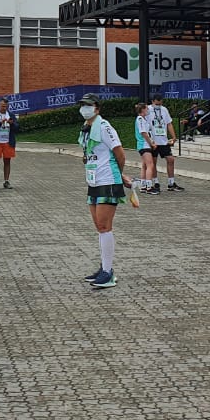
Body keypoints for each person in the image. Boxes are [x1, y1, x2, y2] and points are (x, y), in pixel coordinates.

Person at [78, 94, 125, 290]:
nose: (84, 109)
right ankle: (103, 267)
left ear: (97, 109)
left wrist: (119, 176)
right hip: (94, 181)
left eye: (88, 105)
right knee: (99, 225)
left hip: (108, 180)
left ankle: (108, 272)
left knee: (105, 226)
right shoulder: (86, 129)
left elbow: (120, 153)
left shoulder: (105, 127)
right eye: (82, 105)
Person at [147, 93, 179, 192]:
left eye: (160, 104)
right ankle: (156, 182)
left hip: (163, 140)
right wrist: (149, 139)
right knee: (153, 162)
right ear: (152, 102)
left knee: (170, 160)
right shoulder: (147, 110)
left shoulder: (164, 110)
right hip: (153, 141)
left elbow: (169, 124)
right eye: (157, 104)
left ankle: (171, 182)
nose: (158, 105)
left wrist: (173, 137)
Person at [133, 103, 154, 194]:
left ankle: (143, 185)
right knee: (150, 165)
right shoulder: (140, 119)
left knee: (144, 165)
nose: (148, 110)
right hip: (144, 145)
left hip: (144, 144)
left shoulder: (144, 119)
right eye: (146, 109)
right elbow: (143, 133)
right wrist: (151, 143)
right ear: (142, 110)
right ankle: (149, 187)